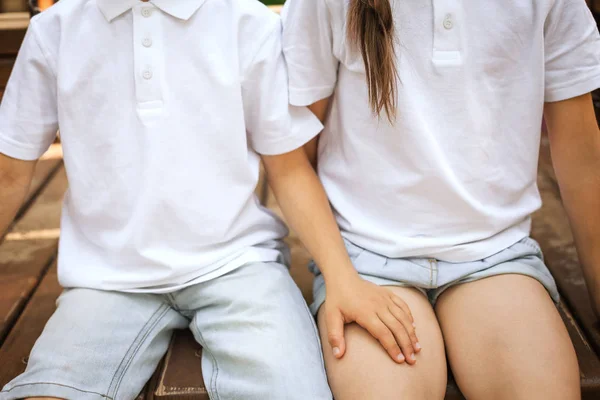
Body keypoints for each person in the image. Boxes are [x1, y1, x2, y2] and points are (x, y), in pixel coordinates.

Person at [0, 0, 420, 399]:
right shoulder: (54, 32)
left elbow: (289, 168)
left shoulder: (244, 21)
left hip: (238, 266)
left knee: (292, 389)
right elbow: (9, 174)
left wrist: (342, 276)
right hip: (106, 280)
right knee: (50, 390)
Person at [282, 0, 600, 398]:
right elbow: (294, 154)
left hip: (495, 256)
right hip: (366, 262)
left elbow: (581, 157)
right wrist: (341, 277)